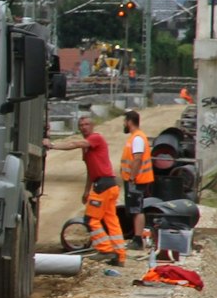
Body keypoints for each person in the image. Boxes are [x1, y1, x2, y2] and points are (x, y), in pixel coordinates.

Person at [45, 113, 125, 265]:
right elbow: (90, 169)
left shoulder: (95, 138)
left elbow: (73, 144)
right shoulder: (87, 145)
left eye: (86, 124)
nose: (83, 128)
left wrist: (52, 145)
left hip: (103, 186)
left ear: (92, 125)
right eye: (81, 125)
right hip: (108, 185)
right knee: (111, 221)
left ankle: (105, 249)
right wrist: (87, 190)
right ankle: (119, 256)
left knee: (91, 219)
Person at [118, 108, 154, 245]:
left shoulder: (137, 138)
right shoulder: (135, 137)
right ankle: (136, 237)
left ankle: (138, 239)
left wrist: (132, 177)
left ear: (129, 122)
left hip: (136, 180)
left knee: (136, 209)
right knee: (134, 208)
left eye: (124, 121)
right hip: (134, 179)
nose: (123, 124)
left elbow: (137, 159)